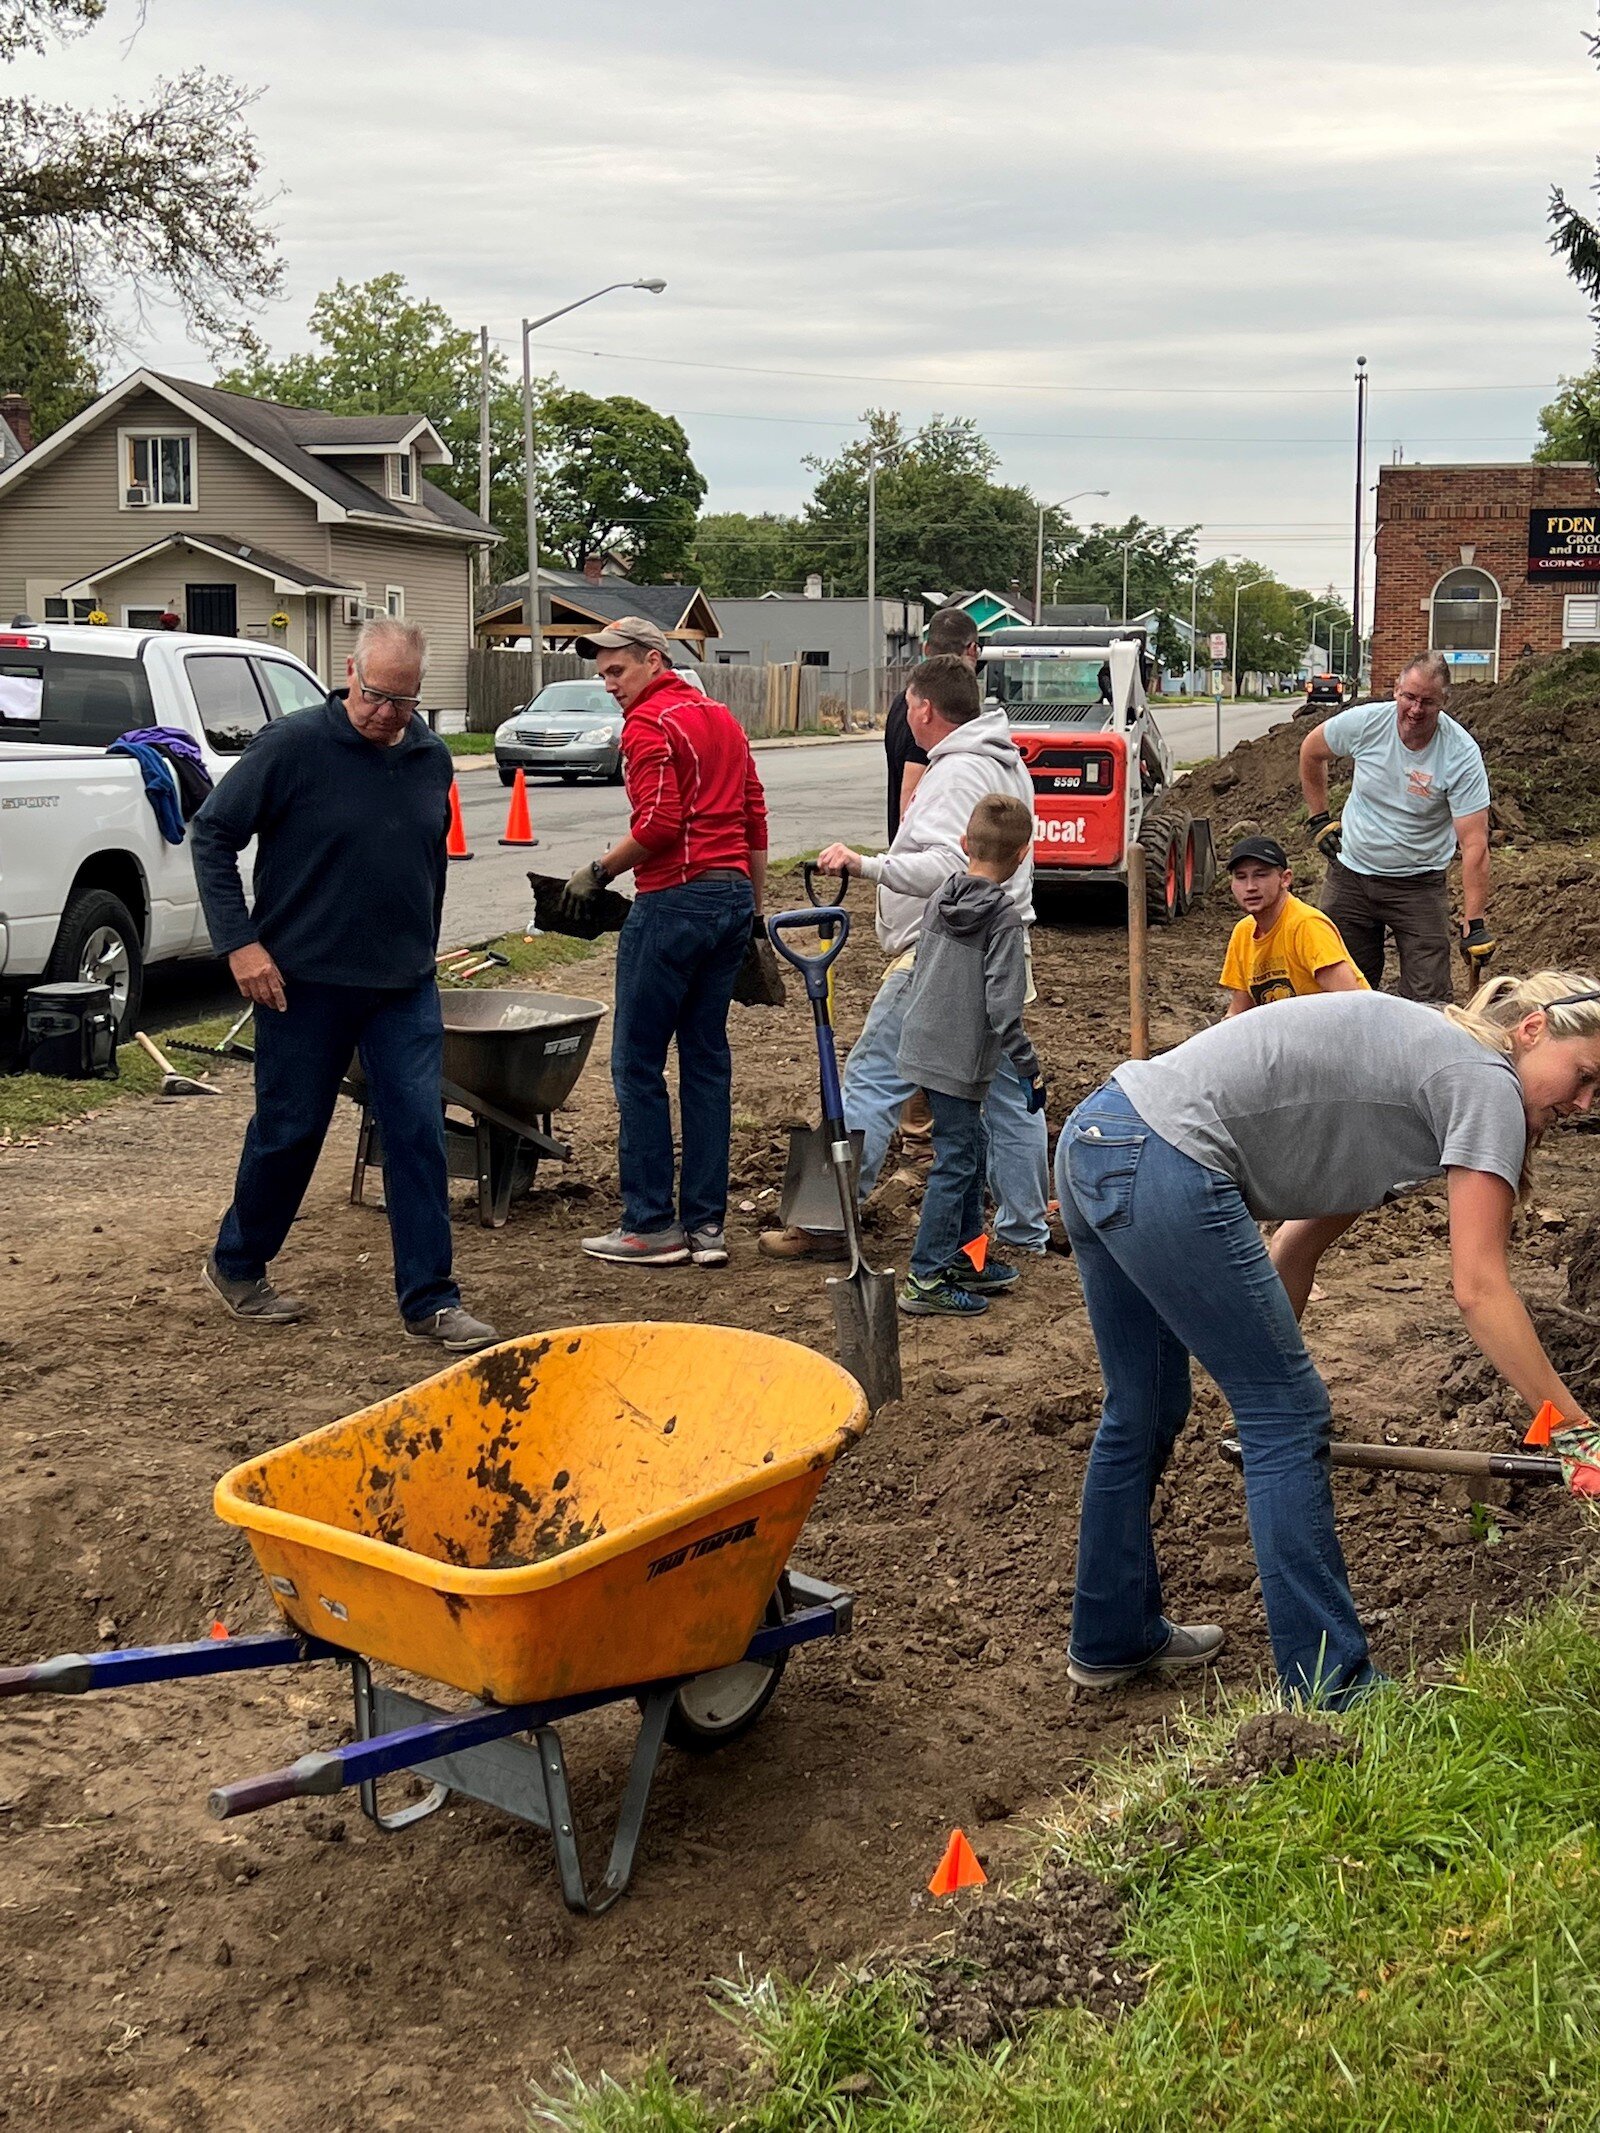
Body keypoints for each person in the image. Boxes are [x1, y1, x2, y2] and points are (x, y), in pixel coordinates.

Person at [1057, 973, 1600, 1710]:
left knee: (1144, 1405)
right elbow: (1480, 1288)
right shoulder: (1483, 1077)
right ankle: (1333, 1690)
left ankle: (1111, 1636)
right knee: (1286, 1414)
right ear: (1533, 1030)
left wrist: (1259, 1364)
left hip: (1101, 1135)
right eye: (1584, 1075)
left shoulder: (1413, 1070)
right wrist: (1575, 1436)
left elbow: (1293, 1253)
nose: (1583, 1103)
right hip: (1160, 1156)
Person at [192, 617, 498, 1351]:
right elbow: (212, 833)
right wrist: (241, 944)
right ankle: (238, 1262)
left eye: (402, 701)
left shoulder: (429, 757)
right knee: (290, 1130)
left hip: (401, 986)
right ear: (348, 673)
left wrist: (423, 947)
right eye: (373, 695)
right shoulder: (293, 746)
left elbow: (425, 858)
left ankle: (431, 1298)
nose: (385, 713)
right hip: (301, 983)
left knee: (416, 1131)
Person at [761, 653, 1050, 1261]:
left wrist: (866, 864)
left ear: (924, 707)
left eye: (907, 704)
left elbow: (953, 867)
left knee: (872, 1078)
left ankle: (826, 1223)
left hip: (940, 957)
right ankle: (1025, 1226)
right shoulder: (1003, 762)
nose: (905, 715)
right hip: (1001, 947)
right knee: (1004, 1092)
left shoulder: (955, 773)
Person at [562, 616, 768, 1269]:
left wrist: (598, 872)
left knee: (636, 1063)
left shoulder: (650, 725)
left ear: (654, 660)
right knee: (706, 1060)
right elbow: (754, 815)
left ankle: (651, 1223)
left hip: (674, 900)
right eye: (601, 673)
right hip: (730, 899)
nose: (608, 682)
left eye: (616, 669)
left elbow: (659, 822)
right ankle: (706, 1226)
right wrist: (753, 913)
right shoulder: (720, 718)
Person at [896, 793, 1044, 1316]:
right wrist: (1029, 1070)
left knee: (971, 1147)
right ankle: (926, 1278)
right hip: (957, 1059)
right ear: (1024, 854)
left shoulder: (942, 896)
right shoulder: (1003, 918)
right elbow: (1004, 1007)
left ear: (965, 843)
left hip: (922, 1045)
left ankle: (966, 1257)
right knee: (956, 1162)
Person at [1299, 651, 1493, 1003]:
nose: (1416, 710)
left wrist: (1474, 921)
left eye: (1428, 701)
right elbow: (1311, 751)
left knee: (1429, 998)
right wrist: (1319, 819)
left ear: (1444, 701)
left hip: (1418, 885)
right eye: (1409, 697)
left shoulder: (1460, 753)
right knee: (1340, 991)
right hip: (1351, 877)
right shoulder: (1366, 724)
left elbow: (1475, 843)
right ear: (1396, 691)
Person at [1219, 833, 1367, 1013]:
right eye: (1241, 877)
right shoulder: (1243, 932)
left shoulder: (1307, 926)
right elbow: (1237, 1013)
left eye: (1261, 875)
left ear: (1285, 879)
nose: (1250, 887)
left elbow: (1352, 1004)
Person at [884, 603, 979, 839]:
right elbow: (912, 787)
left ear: (926, 648)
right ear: (973, 650)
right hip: (927, 856)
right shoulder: (933, 710)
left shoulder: (901, 702)